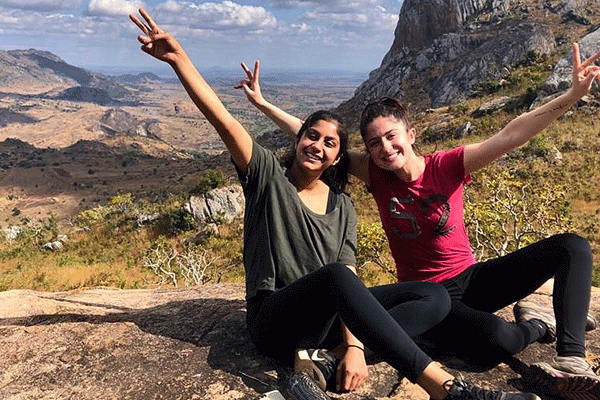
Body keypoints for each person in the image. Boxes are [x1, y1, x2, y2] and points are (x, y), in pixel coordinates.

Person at [129, 8, 541, 400]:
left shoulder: (343, 207)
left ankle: (326, 363)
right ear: (298, 138)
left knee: (434, 297)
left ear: (337, 157)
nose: (318, 145)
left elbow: (346, 276)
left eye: (330, 143)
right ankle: (446, 387)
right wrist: (179, 61)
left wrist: (354, 345)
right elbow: (225, 121)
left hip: (323, 324)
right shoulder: (268, 178)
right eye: (312, 135)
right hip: (274, 318)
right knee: (337, 279)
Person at [235, 44, 600, 399]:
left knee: (572, 247)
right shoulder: (375, 174)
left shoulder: (448, 165)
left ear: (411, 135)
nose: (384, 148)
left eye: (391, 137)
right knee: (497, 341)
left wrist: (572, 94)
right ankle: (536, 326)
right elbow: (317, 140)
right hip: (429, 297)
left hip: (472, 278)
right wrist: (264, 104)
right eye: (374, 142)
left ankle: (571, 358)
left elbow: (511, 135)